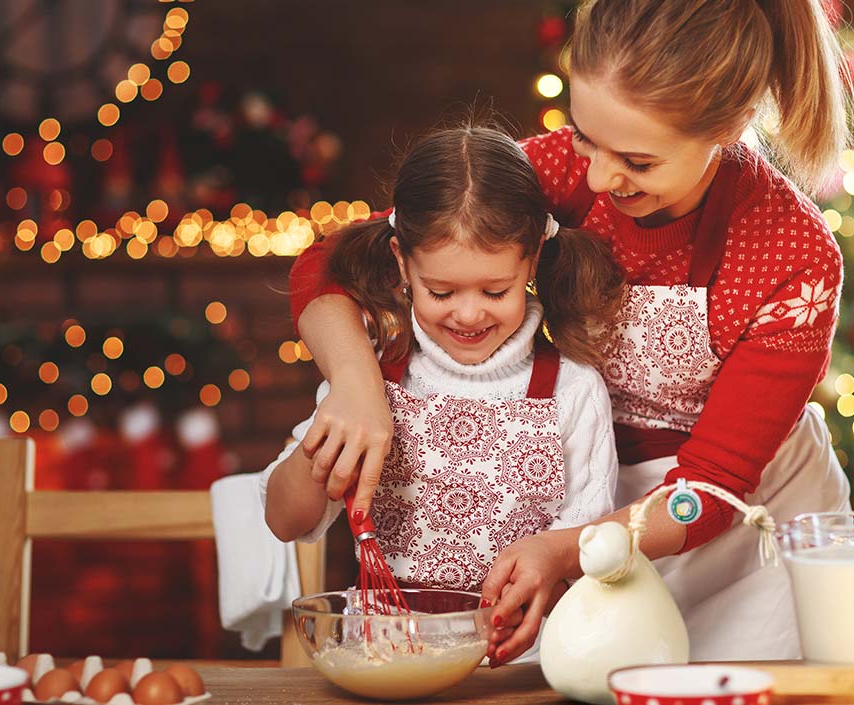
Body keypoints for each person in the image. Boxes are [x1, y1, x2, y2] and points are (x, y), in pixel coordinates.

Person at [286, 0, 854, 664]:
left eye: (638, 162)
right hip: (594, 502)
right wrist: (355, 385)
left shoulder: (794, 256)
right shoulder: (554, 171)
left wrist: (566, 548)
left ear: (727, 128)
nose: (596, 177)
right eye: (586, 137)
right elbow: (324, 266)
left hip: (744, 545)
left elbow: (711, 490)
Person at [261, 127, 624, 621]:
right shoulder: (369, 380)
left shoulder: (572, 391)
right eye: (442, 292)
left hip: (522, 665)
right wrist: (332, 427)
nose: (469, 315)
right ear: (401, 264)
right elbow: (285, 520)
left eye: (495, 292)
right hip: (390, 661)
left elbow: (587, 552)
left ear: (533, 258)